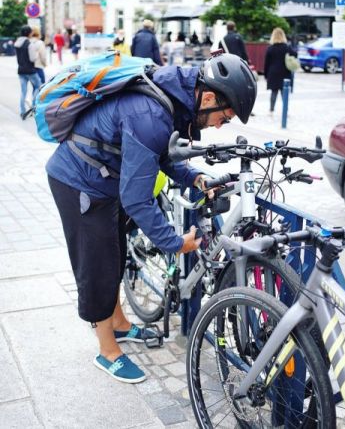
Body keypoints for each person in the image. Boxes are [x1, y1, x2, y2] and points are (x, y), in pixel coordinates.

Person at [45, 53, 257, 384]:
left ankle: (119, 323)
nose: (219, 125)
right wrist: (173, 242)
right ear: (209, 98)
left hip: (103, 180)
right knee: (98, 265)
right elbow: (137, 198)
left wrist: (194, 177)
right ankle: (107, 351)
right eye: (224, 117)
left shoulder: (172, 102)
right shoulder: (151, 114)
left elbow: (160, 153)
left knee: (114, 255)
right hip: (78, 182)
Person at [263, 27, 297, 113]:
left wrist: (266, 75)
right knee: (284, 93)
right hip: (284, 72)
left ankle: (271, 110)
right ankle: (285, 110)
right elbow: (295, 54)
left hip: (273, 73)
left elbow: (266, 63)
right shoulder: (286, 47)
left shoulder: (270, 48)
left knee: (274, 92)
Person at [15, 25, 42, 119]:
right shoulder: (30, 44)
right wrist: (37, 54)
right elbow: (32, 58)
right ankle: (33, 107)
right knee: (39, 86)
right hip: (30, 70)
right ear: (28, 33)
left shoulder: (17, 43)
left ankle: (22, 111)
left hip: (21, 70)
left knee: (23, 91)